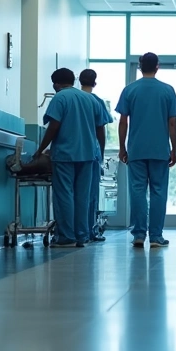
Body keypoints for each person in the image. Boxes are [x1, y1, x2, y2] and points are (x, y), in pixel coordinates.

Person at [115, 53, 176, 248]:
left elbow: (123, 121)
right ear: (157, 66)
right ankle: (155, 236)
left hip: (136, 150)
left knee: (137, 191)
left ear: (140, 66)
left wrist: (122, 147)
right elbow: (172, 122)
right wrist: (174, 149)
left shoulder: (129, 90)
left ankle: (138, 234)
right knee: (158, 192)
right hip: (160, 150)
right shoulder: (167, 90)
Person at [34, 68, 106, 247]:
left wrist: (41, 149)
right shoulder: (91, 99)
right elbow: (100, 129)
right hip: (88, 155)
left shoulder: (60, 98)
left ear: (56, 84)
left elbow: (54, 126)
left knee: (64, 194)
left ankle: (66, 237)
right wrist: (101, 153)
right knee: (83, 196)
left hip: (65, 154)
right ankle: (82, 235)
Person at [80, 68, 114, 242]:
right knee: (90, 194)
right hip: (91, 153)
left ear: (79, 81)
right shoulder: (96, 101)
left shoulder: (71, 99)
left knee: (69, 194)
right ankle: (88, 231)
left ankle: (71, 232)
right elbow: (100, 130)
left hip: (69, 153)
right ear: (94, 83)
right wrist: (100, 152)